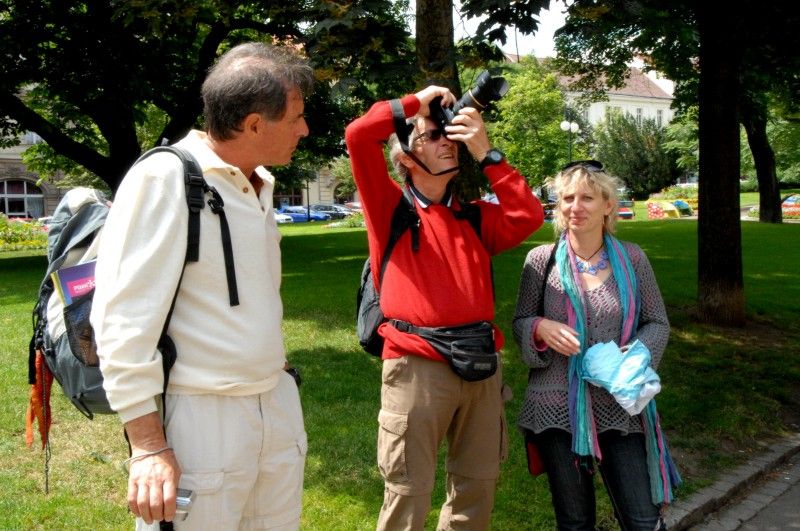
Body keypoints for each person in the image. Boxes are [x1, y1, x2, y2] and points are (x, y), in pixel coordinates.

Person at [90, 42, 314, 530]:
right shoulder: (166, 177)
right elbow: (120, 319)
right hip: (201, 419)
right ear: (254, 124)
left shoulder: (260, 183)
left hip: (274, 405)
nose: (305, 129)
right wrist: (148, 445)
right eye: (296, 116)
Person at [345, 86, 544, 530]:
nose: (445, 141)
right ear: (404, 159)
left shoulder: (473, 217)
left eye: (448, 135)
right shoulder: (389, 210)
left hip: (481, 367)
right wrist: (417, 102)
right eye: (431, 135)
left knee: (477, 488)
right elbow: (358, 135)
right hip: (417, 367)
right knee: (408, 494)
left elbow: (528, 216)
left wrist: (487, 151)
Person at [513, 160, 679, 530]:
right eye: (568, 198)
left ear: (608, 205)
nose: (576, 207)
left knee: (642, 519)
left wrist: (634, 358)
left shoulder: (633, 258)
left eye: (587, 197)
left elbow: (657, 322)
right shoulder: (540, 261)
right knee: (574, 522)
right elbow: (520, 321)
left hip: (620, 405)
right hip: (556, 405)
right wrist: (540, 327)